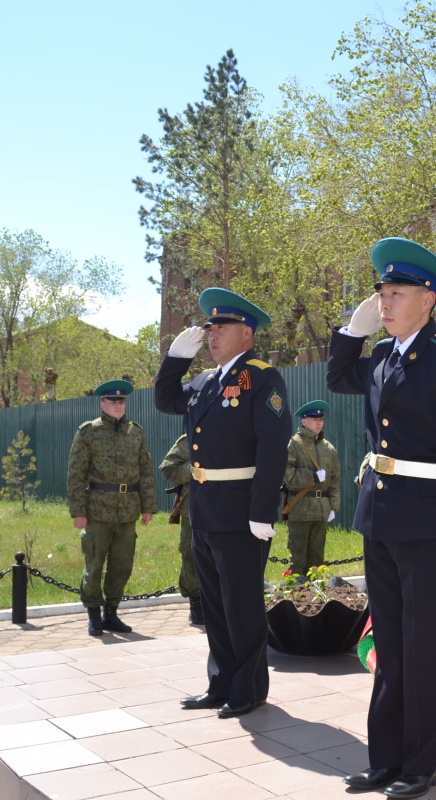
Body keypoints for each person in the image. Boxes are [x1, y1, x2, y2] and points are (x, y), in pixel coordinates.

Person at [327, 238, 436, 800]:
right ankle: (386, 760)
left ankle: (422, 765)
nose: (384, 303)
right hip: (380, 518)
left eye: (395, 293)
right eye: (381, 292)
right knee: (391, 648)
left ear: (428, 300)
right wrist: (352, 333)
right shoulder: (380, 358)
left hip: (429, 527)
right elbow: (336, 376)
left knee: (424, 652)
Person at [154, 287, 292, 718]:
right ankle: (221, 682)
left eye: (222, 327)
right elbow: (165, 400)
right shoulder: (204, 381)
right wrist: (175, 361)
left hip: (241, 509)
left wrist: (262, 512)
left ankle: (248, 689)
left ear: (246, 333)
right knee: (214, 603)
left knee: (241, 603)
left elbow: (273, 449)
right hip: (206, 506)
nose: (212, 335)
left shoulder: (261, 377)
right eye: (209, 328)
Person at [66, 379, 157, 637]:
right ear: (102, 403)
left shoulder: (135, 432)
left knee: (121, 565)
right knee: (94, 564)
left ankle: (111, 614)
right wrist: (78, 511)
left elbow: (145, 472)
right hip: (97, 510)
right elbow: (75, 474)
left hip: (128, 510)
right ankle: (94, 614)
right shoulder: (88, 432)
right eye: (113, 401)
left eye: (122, 401)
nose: (118, 405)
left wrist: (148, 507)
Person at [283, 400, 342, 577]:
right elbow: (288, 476)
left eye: (321, 419)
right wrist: (313, 476)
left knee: (317, 560)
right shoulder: (293, 444)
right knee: (297, 560)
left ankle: (315, 597)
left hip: (321, 510)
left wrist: (333, 506)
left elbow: (334, 480)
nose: (319, 422)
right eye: (314, 419)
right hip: (300, 509)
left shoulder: (328, 448)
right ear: (303, 421)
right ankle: (295, 598)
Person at [159, 433, 204, 626]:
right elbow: (168, 469)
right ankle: (196, 602)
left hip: (227, 507)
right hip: (194, 508)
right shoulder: (190, 439)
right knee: (191, 554)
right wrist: (196, 470)